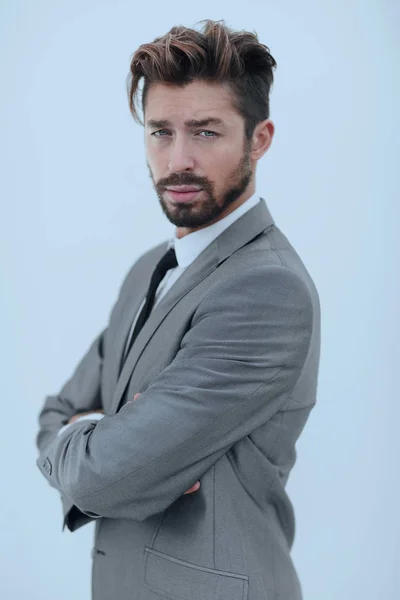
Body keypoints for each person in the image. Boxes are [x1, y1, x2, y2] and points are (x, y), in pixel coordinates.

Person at [36, 18, 321, 600]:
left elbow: (100, 475)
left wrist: (102, 444)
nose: (179, 160)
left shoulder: (266, 289)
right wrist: (104, 433)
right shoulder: (150, 268)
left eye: (206, 132)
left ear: (259, 138)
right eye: (161, 132)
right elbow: (55, 413)